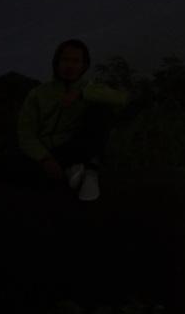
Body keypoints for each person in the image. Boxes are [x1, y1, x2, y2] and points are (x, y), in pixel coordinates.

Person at [14, 39, 127, 201]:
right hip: (48, 151)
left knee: (103, 108)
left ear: (83, 64)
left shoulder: (89, 88)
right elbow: (26, 135)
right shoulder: (37, 95)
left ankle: (90, 172)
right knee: (8, 167)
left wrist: (81, 93)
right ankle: (70, 172)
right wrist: (45, 157)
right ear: (57, 62)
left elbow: (119, 99)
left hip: (74, 147)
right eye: (65, 60)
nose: (70, 65)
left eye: (76, 61)